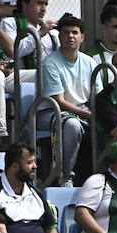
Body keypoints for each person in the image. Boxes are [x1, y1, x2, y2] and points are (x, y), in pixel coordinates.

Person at [39, 13, 94, 181]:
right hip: (50, 112)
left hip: (82, 110)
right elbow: (59, 102)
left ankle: (102, 174)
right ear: (60, 36)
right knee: (72, 124)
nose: (70, 36)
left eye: (74, 32)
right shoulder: (50, 63)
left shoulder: (90, 62)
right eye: (66, 32)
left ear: (82, 37)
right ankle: (65, 176)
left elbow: (96, 96)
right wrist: (90, 115)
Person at [0, 0, 58, 88]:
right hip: (18, 76)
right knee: (49, 74)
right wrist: (38, 35)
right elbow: (15, 51)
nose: (43, 9)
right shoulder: (10, 23)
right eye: (39, 3)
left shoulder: (51, 31)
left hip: (47, 78)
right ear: (24, 3)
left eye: (46, 4)